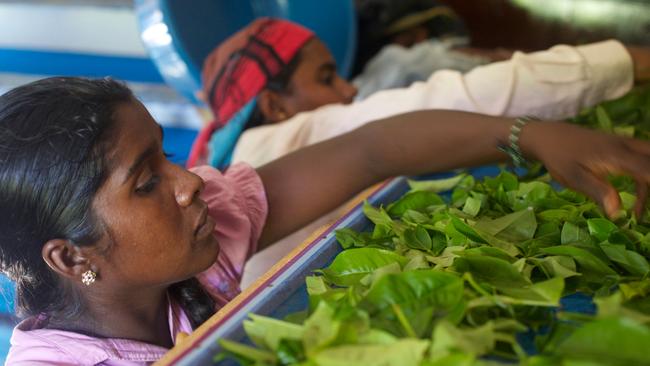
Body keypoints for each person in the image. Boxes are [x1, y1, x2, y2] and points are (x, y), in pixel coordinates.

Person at [3, 76, 650, 364]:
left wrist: (529, 136)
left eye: (168, 158)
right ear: (70, 257)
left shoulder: (205, 232)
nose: (191, 181)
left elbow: (369, 150)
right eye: (148, 182)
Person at [188, 17, 650, 286]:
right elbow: (449, 103)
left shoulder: (240, 159)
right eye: (327, 78)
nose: (348, 90)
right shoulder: (284, 137)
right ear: (272, 105)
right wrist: (626, 61)